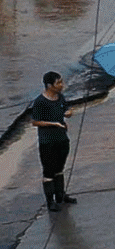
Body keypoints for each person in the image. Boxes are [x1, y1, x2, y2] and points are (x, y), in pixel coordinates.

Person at [30, 70, 75, 210]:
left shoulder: (60, 97)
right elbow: (35, 122)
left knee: (59, 168)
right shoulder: (40, 102)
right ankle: (50, 201)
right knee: (49, 171)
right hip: (47, 141)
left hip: (61, 139)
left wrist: (68, 113)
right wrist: (53, 124)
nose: (62, 85)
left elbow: (65, 109)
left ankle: (60, 195)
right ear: (50, 85)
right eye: (59, 83)